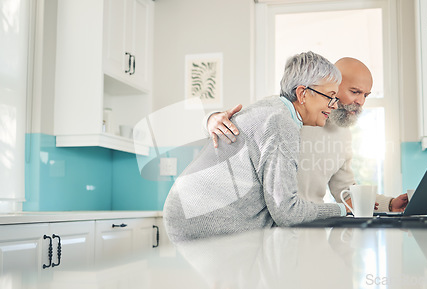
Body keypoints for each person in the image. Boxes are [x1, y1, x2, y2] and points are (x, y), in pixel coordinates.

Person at [163, 51, 348, 242]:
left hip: (188, 213)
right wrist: (343, 210)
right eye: (330, 96)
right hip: (203, 220)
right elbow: (288, 212)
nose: (334, 106)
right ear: (302, 94)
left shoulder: (273, 108)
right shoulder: (280, 122)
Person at [207, 57, 408, 212]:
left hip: (312, 223)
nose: (361, 102)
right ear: (333, 85)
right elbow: (234, 127)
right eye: (355, 92)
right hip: (271, 226)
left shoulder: (343, 133)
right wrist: (211, 119)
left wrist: (389, 205)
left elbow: (344, 190)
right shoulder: (282, 114)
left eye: (366, 95)